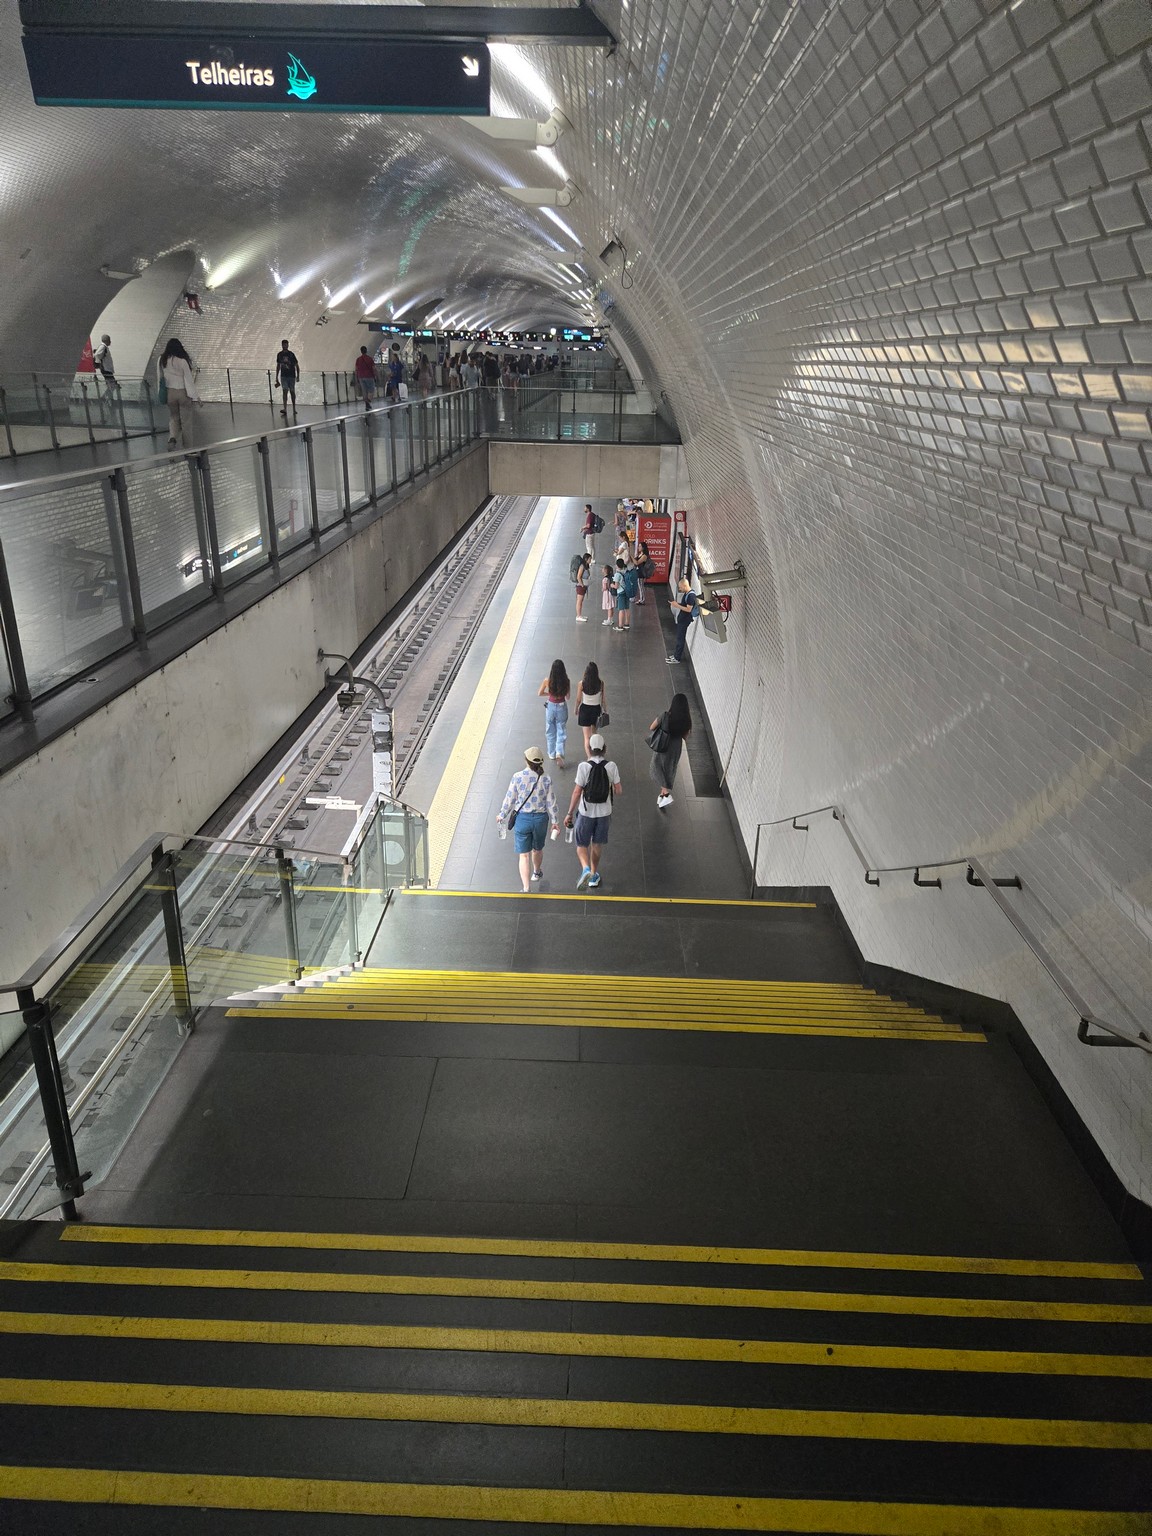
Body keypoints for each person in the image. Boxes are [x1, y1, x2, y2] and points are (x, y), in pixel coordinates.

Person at [496, 746, 560, 891]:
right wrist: (555, 821)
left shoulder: (517, 777)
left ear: (526, 761)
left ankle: (526, 888)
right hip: (540, 820)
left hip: (522, 820)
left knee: (523, 855)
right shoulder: (546, 778)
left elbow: (510, 799)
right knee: (537, 849)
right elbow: (551, 802)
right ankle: (536, 873)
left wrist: (502, 815)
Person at [566, 733, 621, 890]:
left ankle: (586, 869)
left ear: (589, 748)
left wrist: (569, 813)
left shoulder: (584, 766)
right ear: (604, 748)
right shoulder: (612, 766)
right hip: (604, 814)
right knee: (596, 844)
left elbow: (577, 792)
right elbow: (618, 790)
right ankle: (593, 875)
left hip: (585, 813)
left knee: (581, 844)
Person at [649, 692, 692, 808]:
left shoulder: (665, 715)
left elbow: (652, 727)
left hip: (663, 745)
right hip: (676, 748)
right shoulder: (686, 721)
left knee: (657, 767)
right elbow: (685, 737)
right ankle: (662, 795)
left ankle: (666, 794)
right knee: (668, 769)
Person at [158, 337, 199, 449]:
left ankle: (172, 438)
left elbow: (160, 377)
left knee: (174, 418)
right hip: (182, 393)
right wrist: (195, 397)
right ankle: (188, 449)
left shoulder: (162, 360)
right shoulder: (182, 361)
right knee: (186, 422)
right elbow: (189, 380)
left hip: (170, 393)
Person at [537, 658, 570, 769]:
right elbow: (568, 697)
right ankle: (559, 752)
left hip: (550, 706)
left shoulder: (547, 681)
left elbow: (539, 693)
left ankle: (551, 753)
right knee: (561, 730)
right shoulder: (566, 681)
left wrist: (550, 694)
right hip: (561, 706)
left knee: (550, 730)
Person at [575, 661, 605, 757]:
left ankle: (589, 757)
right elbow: (603, 700)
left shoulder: (582, 683)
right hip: (596, 710)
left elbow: (578, 699)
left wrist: (576, 708)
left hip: (585, 710)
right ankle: (596, 753)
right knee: (594, 734)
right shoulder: (601, 683)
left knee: (586, 737)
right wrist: (605, 710)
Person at [667, 578, 699, 663]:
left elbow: (688, 609)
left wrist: (677, 605)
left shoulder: (691, 596)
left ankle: (677, 658)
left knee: (680, 638)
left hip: (685, 620)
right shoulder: (687, 593)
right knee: (679, 637)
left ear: (685, 586)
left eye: (680, 587)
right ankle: (676, 655)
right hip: (682, 619)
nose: (680, 589)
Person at [275, 339, 299, 416]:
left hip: (291, 376)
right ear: (282, 345)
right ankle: (285, 408)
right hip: (284, 376)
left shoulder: (291, 354)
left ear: (288, 345)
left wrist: (298, 375)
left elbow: (296, 365)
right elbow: (278, 366)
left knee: (292, 391)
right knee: (285, 390)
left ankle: (294, 408)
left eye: (286, 344)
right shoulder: (279, 355)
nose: (285, 346)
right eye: (284, 344)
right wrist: (276, 377)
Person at [92, 333, 119, 399]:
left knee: (111, 385)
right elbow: (97, 355)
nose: (110, 342)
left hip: (107, 369)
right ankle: (104, 399)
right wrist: (99, 362)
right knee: (113, 385)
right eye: (109, 340)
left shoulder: (104, 347)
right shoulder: (103, 347)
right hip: (106, 369)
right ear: (106, 340)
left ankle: (107, 399)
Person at [613, 557, 633, 633]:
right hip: (627, 591)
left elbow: (616, 586)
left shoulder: (617, 574)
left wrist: (612, 585)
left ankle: (620, 625)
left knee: (621, 609)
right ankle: (627, 624)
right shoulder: (626, 571)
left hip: (621, 593)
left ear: (617, 565)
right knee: (627, 608)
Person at [574, 552, 591, 622]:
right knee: (579, 601)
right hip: (581, 587)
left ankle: (580, 615)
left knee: (581, 601)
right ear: (586, 559)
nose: (590, 560)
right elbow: (578, 577)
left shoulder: (586, 566)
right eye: (590, 559)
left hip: (583, 586)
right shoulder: (582, 566)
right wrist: (582, 585)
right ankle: (578, 615)